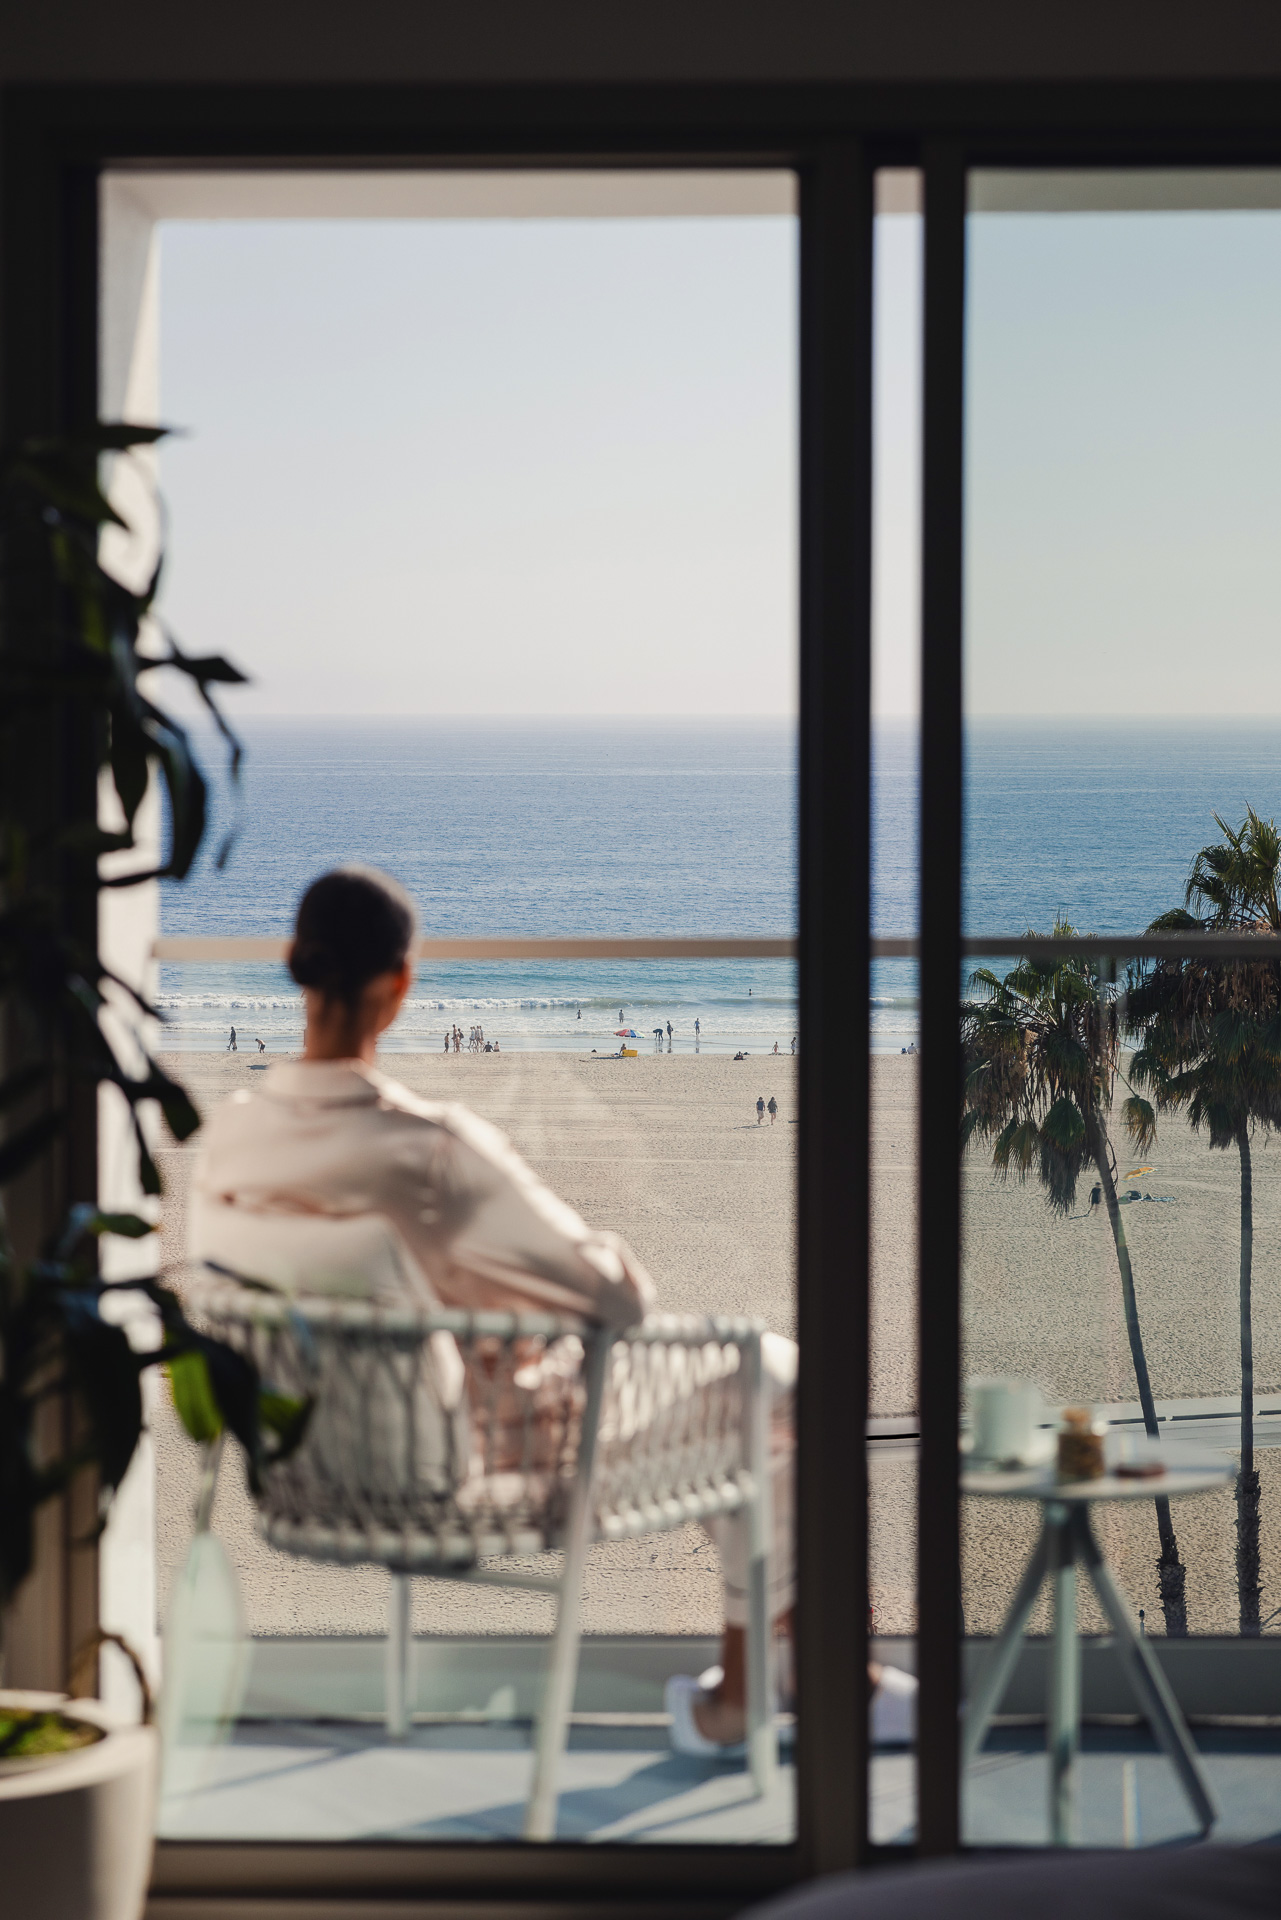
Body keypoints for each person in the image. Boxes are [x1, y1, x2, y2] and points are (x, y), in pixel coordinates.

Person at [190, 866, 828, 1759]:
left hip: (310, 1473)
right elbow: (615, 1298)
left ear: (293, 963)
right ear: (401, 987)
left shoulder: (227, 1138)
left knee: (736, 1404)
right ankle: (758, 1688)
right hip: (472, 1466)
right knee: (771, 1379)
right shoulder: (427, 1152)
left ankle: (774, 1682)